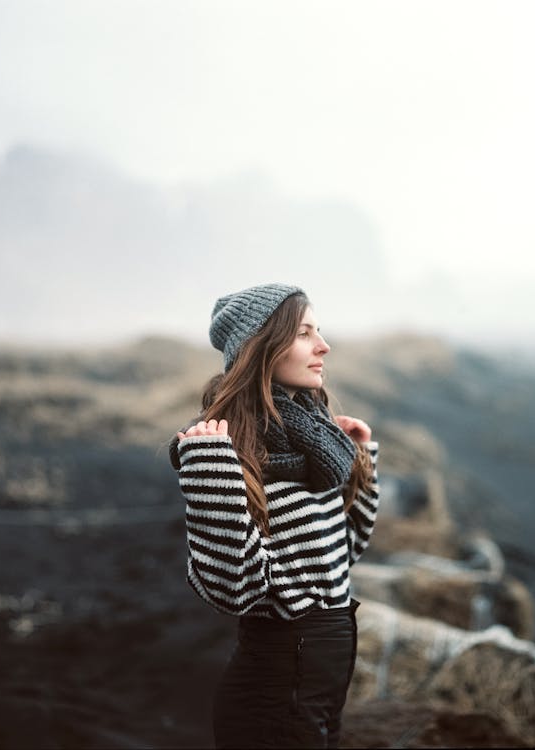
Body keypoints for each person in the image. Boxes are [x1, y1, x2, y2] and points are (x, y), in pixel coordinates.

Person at [168, 282, 381, 749]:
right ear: (261, 348)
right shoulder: (226, 452)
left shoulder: (317, 444)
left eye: (319, 331)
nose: (324, 345)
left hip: (323, 690)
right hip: (272, 700)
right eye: (305, 333)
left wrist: (360, 461)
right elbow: (235, 588)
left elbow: (345, 553)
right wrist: (209, 472)